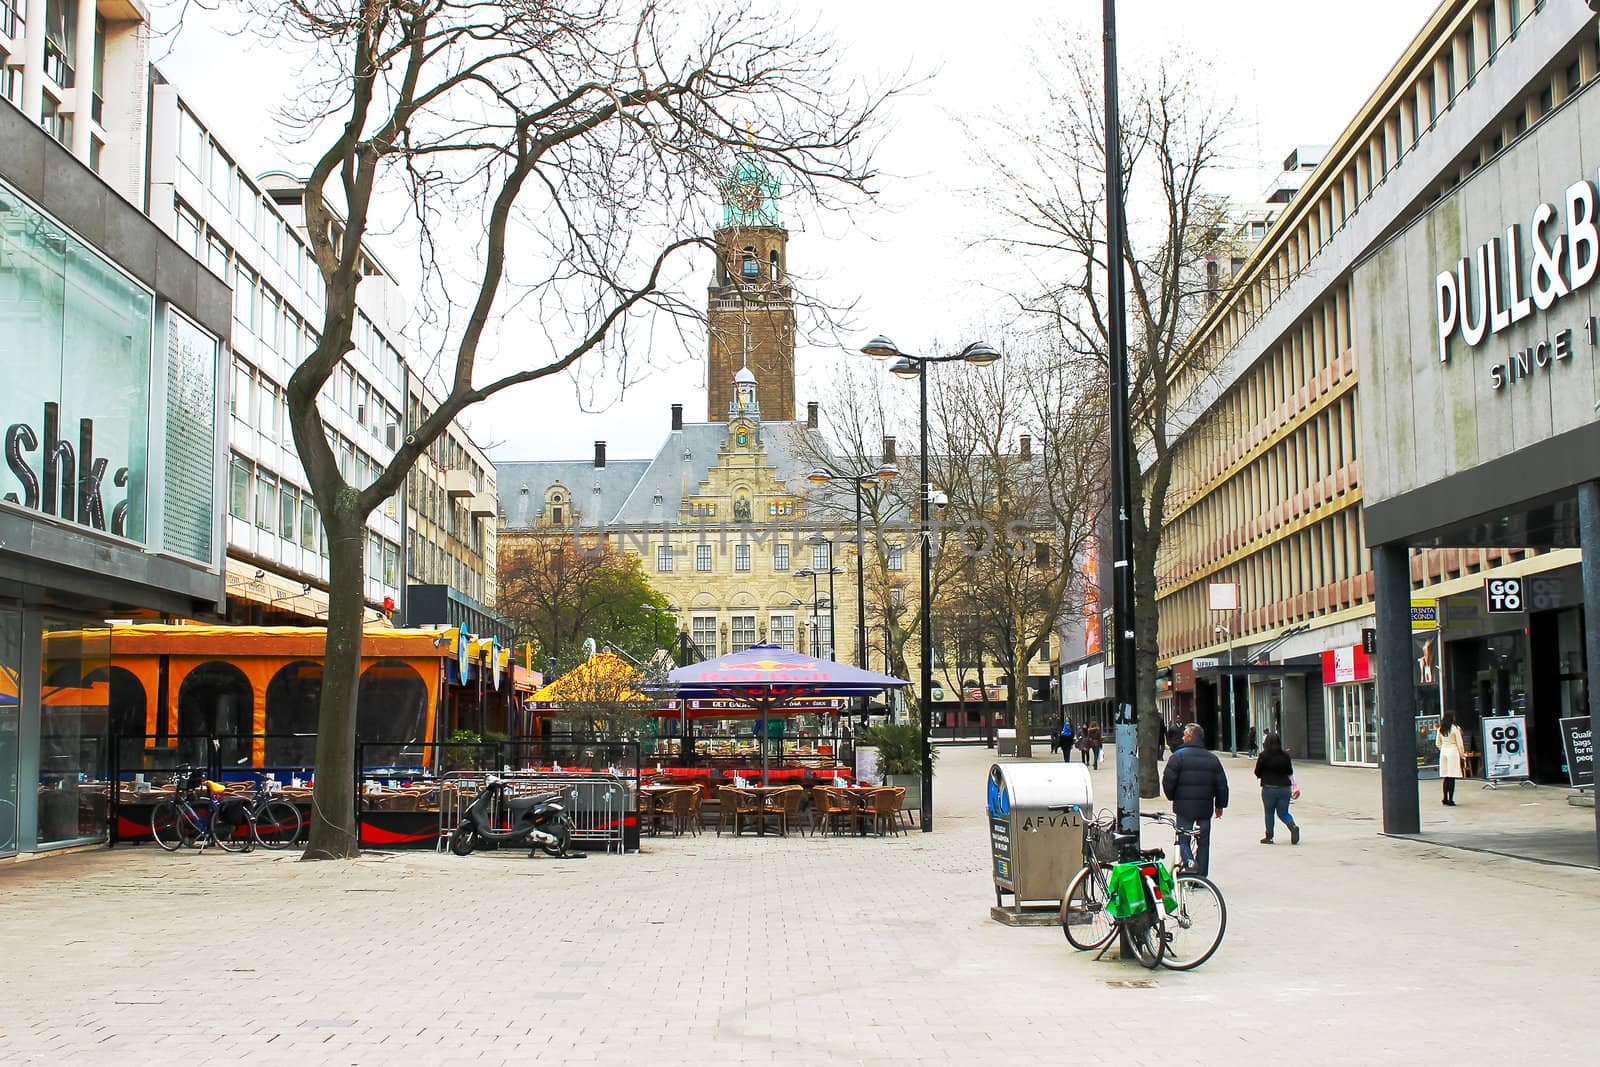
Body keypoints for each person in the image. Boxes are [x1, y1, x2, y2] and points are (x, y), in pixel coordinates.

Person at [1161, 724, 1229, 876]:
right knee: (1203, 841)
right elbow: (1222, 784)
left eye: (1184, 735)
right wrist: (1220, 805)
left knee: (1183, 839)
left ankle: (1190, 863)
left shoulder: (1178, 757)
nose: (1182, 738)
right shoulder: (1212, 759)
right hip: (1204, 807)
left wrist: (1172, 796)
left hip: (1184, 807)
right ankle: (1201, 875)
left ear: (1190, 737)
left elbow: (1168, 781)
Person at [1253, 731, 1300, 845]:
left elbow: (1257, 772)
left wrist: (1263, 775)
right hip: (1284, 788)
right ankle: (1292, 826)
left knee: (1269, 813)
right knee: (1283, 813)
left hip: (1269, 788)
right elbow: (1290, 772)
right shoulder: (1285, 755)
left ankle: (1269, 837)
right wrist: (1295, 787)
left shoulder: (1263, 756)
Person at [1437, 713, 1466, 806]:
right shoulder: (1455, 729)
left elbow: (1438, 743)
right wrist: (1462, 755)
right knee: (1452, 776)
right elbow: (1459, 743)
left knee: (1446, 776)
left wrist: (1443, 748)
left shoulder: (1440, 729)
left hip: (1444, 752)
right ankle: (1451, 799)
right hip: (1453, 751)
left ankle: (1444, 798)